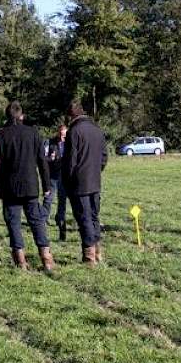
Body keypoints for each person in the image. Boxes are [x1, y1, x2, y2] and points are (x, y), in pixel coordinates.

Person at [0, 101, 54, 272]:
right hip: (30, 185)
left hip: (9, 187)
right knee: (37, 221)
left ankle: (21, 261)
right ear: (21, 115)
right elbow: (42, 161)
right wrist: (47, 185)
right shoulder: (33, 133)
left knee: (14, 223)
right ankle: (46, 258)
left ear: (7, 116)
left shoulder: (1, 135)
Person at [61, 102, 107, 266]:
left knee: (84, 218)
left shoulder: (74, 132)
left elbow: (70, 162)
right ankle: (98, 251)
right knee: (94, 217)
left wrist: (66, 181)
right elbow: (104, 157)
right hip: (95, 181)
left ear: (70, 116)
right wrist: (96, 171)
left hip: (78, 184)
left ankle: (89, 257)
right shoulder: (97, 130)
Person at [42, 124, 70, 241]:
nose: (62, 136)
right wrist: (51, 158)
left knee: (62, 200)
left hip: (64, 176)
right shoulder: (50, 142)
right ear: (58, 132)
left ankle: (60, 221)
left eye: (64, 134)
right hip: (52, 176)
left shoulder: (70, 143)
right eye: (61, 133)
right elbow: (43, 157)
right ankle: (43, 220)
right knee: (48, 199)